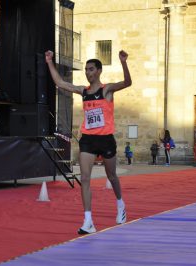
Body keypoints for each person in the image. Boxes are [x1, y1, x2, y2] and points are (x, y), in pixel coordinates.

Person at [45, 49, 132, 234]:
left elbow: (127, 82)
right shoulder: (83, 91)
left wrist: (123, 62)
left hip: (106, 139)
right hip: (88, 140)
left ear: (99, 71)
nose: (88, 72)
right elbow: (60, 83)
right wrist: (49, 62)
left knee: (112, 176)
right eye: (86, 69)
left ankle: (120, 204)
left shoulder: (106, 90)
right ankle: (88, 221)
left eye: (91, 69)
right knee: (85, 178)